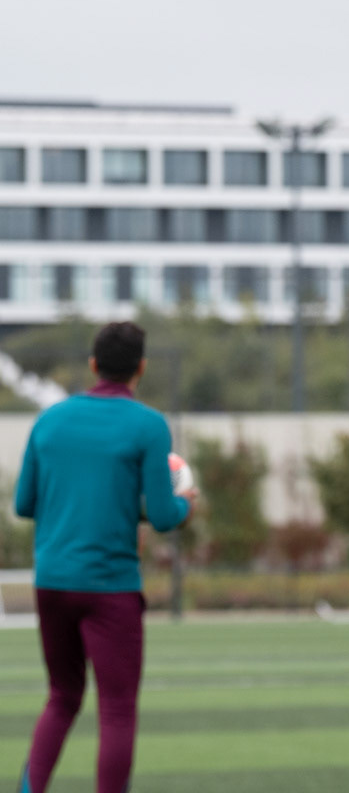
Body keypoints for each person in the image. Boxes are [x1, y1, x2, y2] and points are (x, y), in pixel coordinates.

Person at [15, 321, 196, 793]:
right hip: (110, 587)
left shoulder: (49, 420)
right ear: (141, 368)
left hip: (52, 582)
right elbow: (162, 516)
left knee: (61, 697)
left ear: (93, 365)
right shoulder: (148, 425)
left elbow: (24, 504)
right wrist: (186, 504)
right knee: (116, 709)